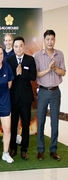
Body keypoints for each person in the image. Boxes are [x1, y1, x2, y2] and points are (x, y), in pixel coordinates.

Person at [34, 30, 66, 161]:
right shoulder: (37, 56)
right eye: (47, 39)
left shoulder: (59, 54)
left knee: (55, 122)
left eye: (52, 39)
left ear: (54, 40)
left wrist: (54, 68)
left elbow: (63, 72)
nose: (50, 42)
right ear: (44, 40)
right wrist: (48, 68)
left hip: (55, 92)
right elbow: (36, 74)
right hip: (42, 91)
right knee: (40, 121)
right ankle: (40, 150)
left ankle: (53, 149)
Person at [6, 36, 36, 160]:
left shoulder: (30, 60)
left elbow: (33, 76)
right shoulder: (9, 60)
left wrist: (22, 73)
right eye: (16, 46)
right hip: (13, 98)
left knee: (25, 123)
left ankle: (24, 149)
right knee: (13, 125)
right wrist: (15, 73)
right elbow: (8, 76)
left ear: (24, 46)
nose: (18, 48)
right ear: (13, 47)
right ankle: (13, 148)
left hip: (26, 98)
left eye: (20, 46)